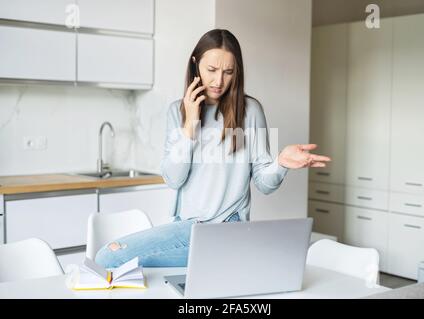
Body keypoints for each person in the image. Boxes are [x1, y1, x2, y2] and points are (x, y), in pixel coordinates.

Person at [95, 29, 331, 268]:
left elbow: (263, 183)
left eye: (228, 72)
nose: (219, 81)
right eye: (212, 70)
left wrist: (280, 163)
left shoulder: (250, 111)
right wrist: (190, 126)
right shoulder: (177, 112)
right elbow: (173, 179)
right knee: (115, 259)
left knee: (109, 258)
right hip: (186, 228)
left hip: (226, 229)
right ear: (195, 64)